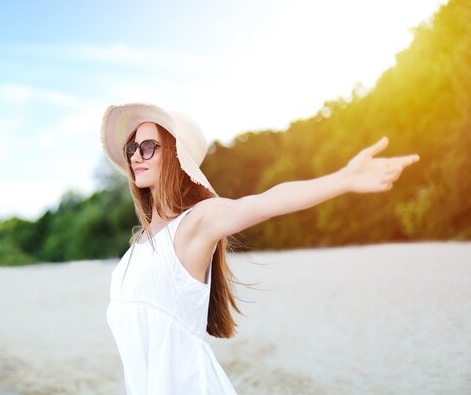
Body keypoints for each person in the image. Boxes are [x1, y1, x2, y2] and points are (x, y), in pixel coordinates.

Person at [101, 103, 420, 395]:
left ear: (173, 155)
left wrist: (342, 179)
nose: (135, 156)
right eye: (132, 147)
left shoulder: (196, 224)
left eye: (147, 147)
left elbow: (266, 202)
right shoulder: (140, 244)